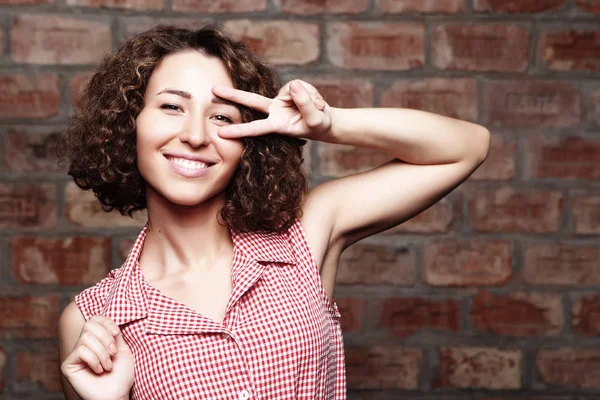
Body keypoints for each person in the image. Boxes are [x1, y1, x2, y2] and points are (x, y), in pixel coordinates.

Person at [57, 25, 490, 400]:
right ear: (130, 123)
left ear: (248, 140)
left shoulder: (305, 234)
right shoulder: (93, 319)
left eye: (222, 117)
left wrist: (327, 124)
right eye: (172, 106)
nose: (195, 135)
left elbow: (465, 148)